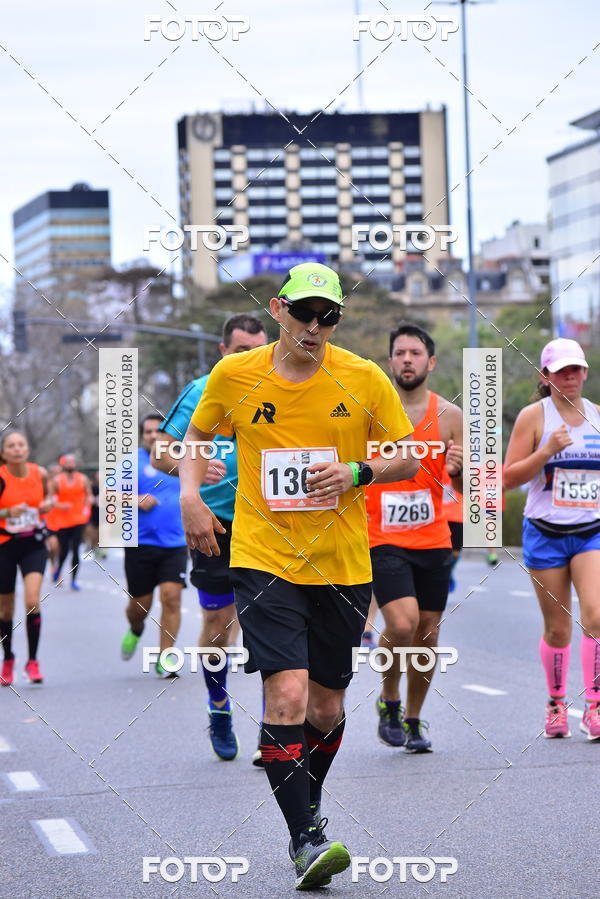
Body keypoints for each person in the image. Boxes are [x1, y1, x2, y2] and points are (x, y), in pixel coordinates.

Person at [178, 262, 418, 889]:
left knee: (328, 708)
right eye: (305, 313)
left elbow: (404, 454)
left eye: (328, 316)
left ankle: (303, 805)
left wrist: (357, 473)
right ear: (279, 308)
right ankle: (306, 837)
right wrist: (190, 498)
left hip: (343, 564)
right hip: (264, 558)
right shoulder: (236, 373)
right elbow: (198, 434)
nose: (315, 326)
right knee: (285, 694)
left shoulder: (364, 378)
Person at [153, 313, 267, 761]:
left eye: (257, 351)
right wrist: (190, 462)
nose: (250, 360)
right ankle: (219, 706)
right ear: (223, 352)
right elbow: (162, 450)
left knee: (269, 625)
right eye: (241, 352)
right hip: (214, 524)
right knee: (220, 625)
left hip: (270, 525)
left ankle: (273, 728)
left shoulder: (282, 389)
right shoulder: (203, 390)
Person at [366, 323, 463, 753]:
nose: (407, 359)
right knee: (401, 623)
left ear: (431, 362)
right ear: (390, 361)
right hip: (381, 534)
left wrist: (458, 470)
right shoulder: (368, 411)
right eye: (400, 352)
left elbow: (467, 491)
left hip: (433, 537)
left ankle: (414, 719)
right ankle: (389, 696)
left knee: (427, 633)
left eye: (416, 353)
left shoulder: (450, 417)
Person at [504, 338, 600, 741]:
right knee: (558, 629)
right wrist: (546, 450)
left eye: (576, 369)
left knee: (596, 616)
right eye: (562, 371)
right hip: (545, 533)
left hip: (590, 532)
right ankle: (557, 703)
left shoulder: (597, 417)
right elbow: (507, 479)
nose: (571, 377)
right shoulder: (533, 417)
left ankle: (594, 706)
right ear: (546, 377)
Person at [120, 414, 188, 677]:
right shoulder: (131, 462)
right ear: (142, 435)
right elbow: (107, 495)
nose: (152, 435)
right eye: (147, 432)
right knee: (139, 607)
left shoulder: (183, 460)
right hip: (140, 544)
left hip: (176, 543)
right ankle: (136, 628)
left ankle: (165, 656)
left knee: (172, 598)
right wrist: (135, 498)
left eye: (158, 431)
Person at [0, 431, 53, 686]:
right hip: (4, 546)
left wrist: (48, 505)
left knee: (32, 600)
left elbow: (51, 497)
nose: (17, 449)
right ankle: (7, 659)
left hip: (33, 544)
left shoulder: (39, 473)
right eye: (11, 446)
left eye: (21, 444)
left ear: (27, 449)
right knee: (5, 608)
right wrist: (7, 511)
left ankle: (33, 662)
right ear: (4, 453)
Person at [50, 455, 93, 590]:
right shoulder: (57, 480)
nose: (70, 464)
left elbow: (89, 495)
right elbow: (51, 499)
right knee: (64, 550)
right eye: (67, 462)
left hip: (79, 519)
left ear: (75, 464)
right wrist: (60, 505)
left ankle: (74, 580)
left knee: (75, 549)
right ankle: (58, 570)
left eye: (72, 462)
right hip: (62, 520)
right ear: (63, 465)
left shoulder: (83, 479)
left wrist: (89, 500)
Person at [442, 469, 463, 592]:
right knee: (441, 550)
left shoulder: (458, 463)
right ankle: (444, 572)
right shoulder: (435, 462)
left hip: (457, 515)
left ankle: (448, 571)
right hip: (440, 515)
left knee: (455, 553)